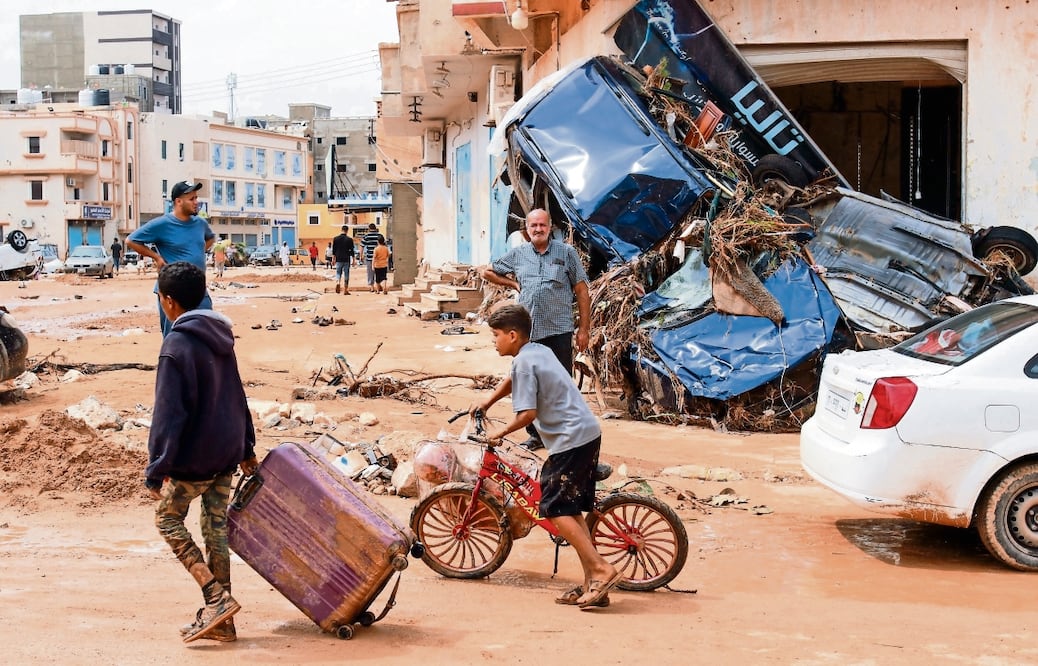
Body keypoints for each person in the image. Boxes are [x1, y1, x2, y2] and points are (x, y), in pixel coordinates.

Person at [470, 304, 620, 609]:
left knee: (551, 508)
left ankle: (602, 569)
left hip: (570, 439)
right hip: (585, 432)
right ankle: (593, 580)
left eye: (496, 335)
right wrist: (487, 401)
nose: (493, 341)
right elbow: (513, 380)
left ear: (512, 335)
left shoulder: (525, 363)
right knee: (570, 510)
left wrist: (497, 434)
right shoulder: (535, 351)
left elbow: (527, 414)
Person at [144, 261, 258, 643]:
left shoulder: (174, 346)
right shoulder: (220, 335)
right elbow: (236, 392)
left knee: (167, 520)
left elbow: (168, 415)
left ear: (169, 302)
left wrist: (156, 468)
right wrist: (246, 446)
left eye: (160, 297)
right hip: (226, 451)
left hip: (195, 458)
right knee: (215, 531)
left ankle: (215, 596)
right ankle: (223, 622)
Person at [480, 208, 591, 450]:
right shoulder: (518, 255)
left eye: (542, 225)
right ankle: (535, 434)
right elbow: (487, 271)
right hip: (528, 334)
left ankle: (565, 432)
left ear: (550, 227)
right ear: (527, 230)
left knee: (559, 383)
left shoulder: (567, 253)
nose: (538, 229)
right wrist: (513, 283)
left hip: (558, 330)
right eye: (533, 226)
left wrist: (584, 329)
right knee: (527, 383)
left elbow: (582, 291)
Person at [126, 181, 215, 337]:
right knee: (176, 336)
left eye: (196, 198)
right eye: (192, 199)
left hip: (199, 289)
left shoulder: (200, 223)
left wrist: (196, 252)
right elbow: (131, 240)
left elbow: (210, 239)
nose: (196, 202)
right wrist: (157, 258)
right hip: (173, 292)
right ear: (178, 201)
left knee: (206, 335)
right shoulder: (162, 224)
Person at [331, 225, 355, 294]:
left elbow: (334, 250)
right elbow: (352, 251)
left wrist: (333, 259)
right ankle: (345, 289)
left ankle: (338, 282)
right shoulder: (349, 239)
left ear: (341, 230)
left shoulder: (336, 239)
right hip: (346, 259)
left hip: (338, 259)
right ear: (347, 231)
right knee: (346, 274)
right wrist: (353, 260)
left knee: (338, 272)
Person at [361, 223, 382, 292]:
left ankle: (372, 287)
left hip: (370, 257)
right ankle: (378, 286)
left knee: (370, 272)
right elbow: (384, 245)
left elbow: (362, 246)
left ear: (369, 229)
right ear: (375, 228)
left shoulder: (366, 236)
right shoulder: (379, 235)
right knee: (378, 272)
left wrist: (361, 255)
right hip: (379, 258)